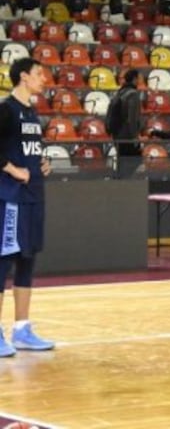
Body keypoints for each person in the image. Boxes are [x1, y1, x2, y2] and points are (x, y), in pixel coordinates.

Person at [0, 58, 55, 356]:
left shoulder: (32, 113)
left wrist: (41, 162)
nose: (43, 79)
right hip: (10, 197)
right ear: (24, 76)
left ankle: (22, 329)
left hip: (34, 195)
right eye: (38, 74)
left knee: (27, 259)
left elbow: (30, 148)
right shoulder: (6, 109)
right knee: (3, 261)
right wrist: (11, 169)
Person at [109, 69, 143, 178]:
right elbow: (132, 119)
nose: (140, 80)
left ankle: (120, 185)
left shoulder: (120, 92)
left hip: (118, 135)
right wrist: (135, 138)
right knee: (134, 163)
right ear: (134, 79)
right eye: (139, 78)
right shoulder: (133, 95)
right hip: (127, 136)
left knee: (122, 164)